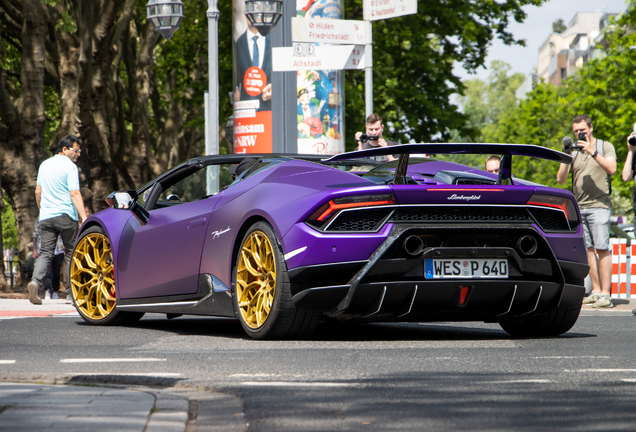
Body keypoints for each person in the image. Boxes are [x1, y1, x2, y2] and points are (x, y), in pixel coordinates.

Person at [556, 114, 617, 308]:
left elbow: (612, 169)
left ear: (590, 128)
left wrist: (592, 152)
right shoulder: (574, 151)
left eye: (582, 130)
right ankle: (597, 291)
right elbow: (560, 179)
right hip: (580, 206)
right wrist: (566, 156)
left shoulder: (603, 146)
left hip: (599, 205)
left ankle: (606, 294)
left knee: (602, 248)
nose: (579, 133)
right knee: (589, 250)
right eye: (576, 131)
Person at [27, 135, 88, 305]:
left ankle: (35, 282)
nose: (78, 154)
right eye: (76, 150)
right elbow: (74, 193)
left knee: (45, 253)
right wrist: (84, 216)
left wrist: (42, 211)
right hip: (66, 215)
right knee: (72, 254)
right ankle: (72, 294)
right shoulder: (70, 167)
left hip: (46, 216)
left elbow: (37, 192)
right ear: (65, 149)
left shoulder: (44, 165)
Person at [233, 5, 272, 112]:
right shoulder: (239, 43)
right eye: (252, 11)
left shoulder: (274, 40)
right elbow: (235, 74)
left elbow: (284, 73)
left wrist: (275, 88)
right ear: (245, 15)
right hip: (247, 113)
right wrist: (235, 88)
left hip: (270, 110)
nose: (255, 15)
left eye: (258, 11)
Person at [32, 217, 65, 300]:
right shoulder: (39, 219)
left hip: (58, 249)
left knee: (56, 272)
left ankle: (56, 291)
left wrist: (65, 247)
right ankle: (47, 290)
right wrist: (35, 249)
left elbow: (63, 234)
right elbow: (35, 235)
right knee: (47, 272)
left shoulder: (60, 217)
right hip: (44, 250)